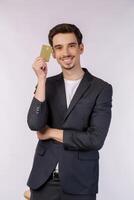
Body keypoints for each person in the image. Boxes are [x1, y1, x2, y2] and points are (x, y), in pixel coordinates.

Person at [27, 23, 113, 200]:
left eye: (71, 45)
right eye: (59, 48)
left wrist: (51, 132)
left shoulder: (101, 88)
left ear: (81, 48)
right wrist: (41, 80)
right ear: (53, 53)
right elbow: (35, 124)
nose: (65, 53)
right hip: (43, 180)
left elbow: (95, 139)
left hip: (80, 181)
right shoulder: (47, 85)